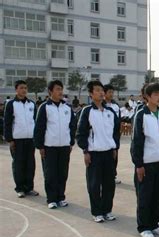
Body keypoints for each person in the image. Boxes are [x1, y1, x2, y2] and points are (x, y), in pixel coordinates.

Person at [131, 83, 159, 237]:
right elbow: (137, 141)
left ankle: (154, 224)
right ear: (147, 97)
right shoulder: (141, 115)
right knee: (145, 196)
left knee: (157, 195)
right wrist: (139, 164)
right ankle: (143, 226)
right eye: (155, 94)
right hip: (147, 163)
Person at [76, 81, 120, 223]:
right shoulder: (87, 111)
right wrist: (85, 150)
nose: (101, 93)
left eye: (102, 90)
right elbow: (81, 133)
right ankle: (97, 212)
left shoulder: (110, 112)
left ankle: (107, 210)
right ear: (90, 94)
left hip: (108, 153)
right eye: (97, 90)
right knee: (94, 184)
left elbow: (115, 132)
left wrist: (114, 148)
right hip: (94, 154)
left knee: (109, 184)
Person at [34, 80, 76, 209]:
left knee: (62, 173)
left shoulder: (67, 108)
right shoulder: (45, 107)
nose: (60, 92)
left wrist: (71, 142)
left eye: (61, 89)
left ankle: (60, 197)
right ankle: (51, 199)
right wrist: (40, 146)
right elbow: (39, 128)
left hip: (64, 146)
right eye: (57, 89)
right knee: (50, 173)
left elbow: (72, 126)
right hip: (49, 146)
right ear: (50, 91)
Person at [4, 80, 39, 198]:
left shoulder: (32, 104)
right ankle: (20, 188)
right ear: (16, 90)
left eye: (25, 88)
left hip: (30, 139)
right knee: (19, 165)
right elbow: (7, 123)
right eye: (21, 88)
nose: (24, 90)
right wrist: (10, 139)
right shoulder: (11, 104)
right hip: (17, 140)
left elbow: (35, 121)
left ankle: (29, 187)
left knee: (30, 164)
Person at [104, 84, 122, 184]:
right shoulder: (102, 106)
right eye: (109, 92)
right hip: (104, 135)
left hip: (114, 136)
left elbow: (118, 121)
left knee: (114, 156)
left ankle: (113, 175)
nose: (111, 94)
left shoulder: (115, 106)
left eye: (112, 92)